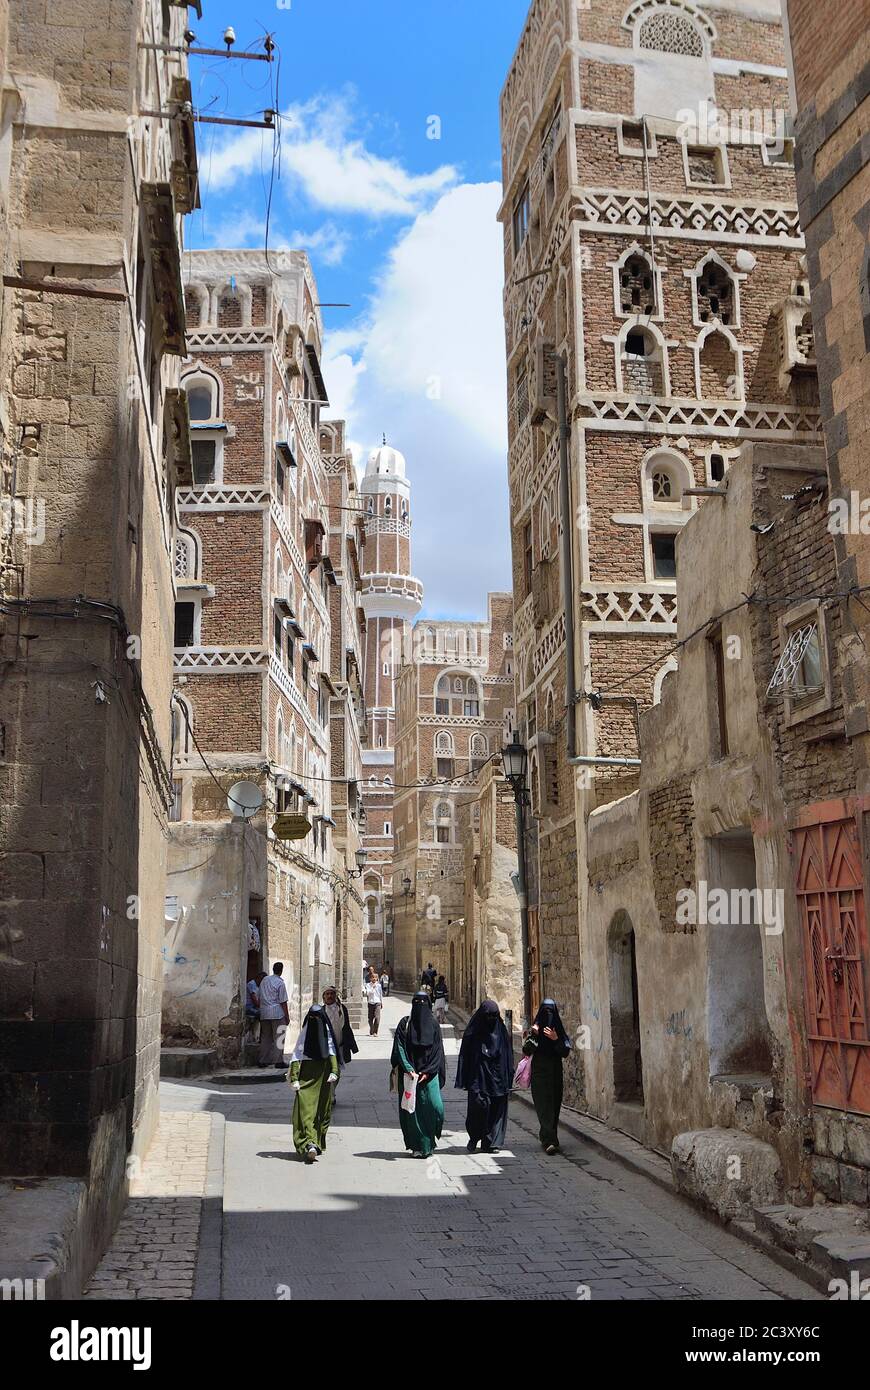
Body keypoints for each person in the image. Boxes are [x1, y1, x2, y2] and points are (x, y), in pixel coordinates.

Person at [390, 991, 446, 1158]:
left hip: (429, 1074)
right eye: (416, 1002)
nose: (420, 1006)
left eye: (423, 1002)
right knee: (411, 1111)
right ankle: (418, 1146)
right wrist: (409, 1069)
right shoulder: (405, 1024)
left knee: (435, 1107)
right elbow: (399, 1047)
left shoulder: (434, 1025)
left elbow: (438, 1051)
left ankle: (430, 1138)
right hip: (409, 1075)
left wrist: (428, 1072)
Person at [455, 1000, 514, 1154]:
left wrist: (508, 1077)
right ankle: (475, 1136)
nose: (491, 1019)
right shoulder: (473, 1032)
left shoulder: (501, 1032)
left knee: (496, 1107)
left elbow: (508, 1057)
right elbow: (465, 1056)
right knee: (478, 1107)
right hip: (478, 1077)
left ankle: (492, 1142)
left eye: (494, 1016)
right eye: (488, 1016)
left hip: (497, 1079)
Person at [288, 1004, 339, 1163]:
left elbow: (331, 1051)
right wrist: (295, 1078)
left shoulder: (326, 1032)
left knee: (321, 1111)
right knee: (305, 1110)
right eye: (312, 1018)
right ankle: (309, 1143)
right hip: (306, 1077)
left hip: (324, 1077)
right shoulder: (305, 1033)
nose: (315, 1021)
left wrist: (334, 1071)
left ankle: (315, 1143)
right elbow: (297, 1055)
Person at [522, 998, 571, 1154]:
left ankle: (549, 1137)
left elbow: (565, 1052)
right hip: (540, 1074)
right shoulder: (535, 1030)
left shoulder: (558, 1031)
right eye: (545, 1012)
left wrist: (555, 1039)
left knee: (554, 1106)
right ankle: (549, 1140)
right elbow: (526, 1051)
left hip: (555, 1073)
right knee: (543, 1107)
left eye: (551, 1011)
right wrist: (535, 1035)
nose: (548, 1015)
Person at [322, 984, 358, 1089]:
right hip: (327, 1047)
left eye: (332, 994)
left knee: (336, 1070)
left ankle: (332, 1093)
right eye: (327, 994)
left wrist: (352, 1046)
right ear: (324, 997)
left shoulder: (342, 1010)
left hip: (340, 1046)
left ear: (335, 996)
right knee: (328, 1070)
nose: (329, 996)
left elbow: (347, 1027)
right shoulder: (321, 1011)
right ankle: (329, 1094)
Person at [258, 962, 289, 1068]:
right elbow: (283, 1001)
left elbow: (259, 996)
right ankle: (278, 1061)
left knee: (265, 1037)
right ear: (281, 970)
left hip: (265, 1013)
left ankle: (263, 1060)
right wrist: (287, 1016)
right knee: (279, 1037)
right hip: (277, 1013)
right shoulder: (280, 983)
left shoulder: (264, 980)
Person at [363, 967, 383, 1036]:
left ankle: (375, 1032)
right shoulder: (368, 985)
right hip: (371, 1002)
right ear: (370, 978)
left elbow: (380, 994)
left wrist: (381, 1002)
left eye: (375, 977)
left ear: (377, 978)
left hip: (377, 1002)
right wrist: (372, 989)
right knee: (370, 1018)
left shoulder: (379, 986)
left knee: (377, 1018)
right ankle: (371, 1029)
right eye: (373, 977)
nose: (374, 979)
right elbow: (367, 993)